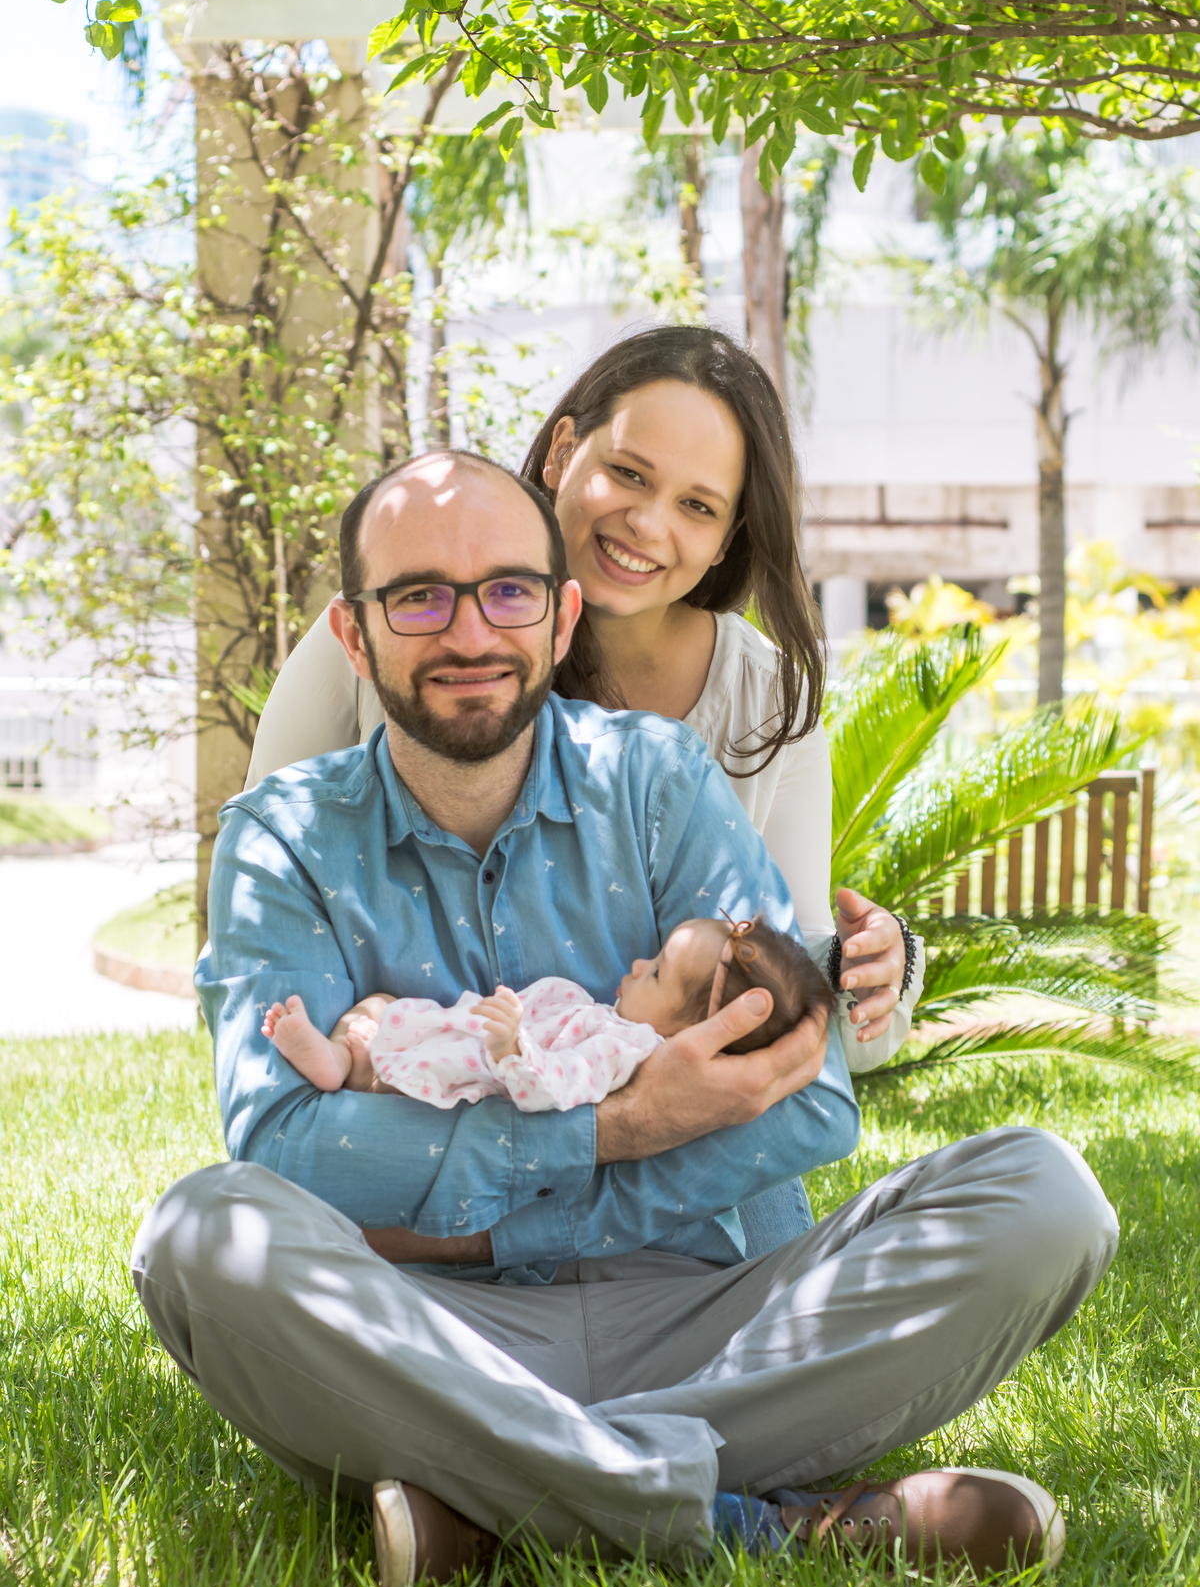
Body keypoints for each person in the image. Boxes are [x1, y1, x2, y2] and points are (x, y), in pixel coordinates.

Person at [132, 450, 1119, 1587]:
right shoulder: (281, 839)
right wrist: (619, 1128)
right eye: (419, 596)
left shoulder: (656, 778)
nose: (468, 631)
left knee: (1045, 1197)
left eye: (507, 590)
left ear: (561, 621)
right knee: (204, 1235)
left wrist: (486, 1217)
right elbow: (289, 1151)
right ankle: (767, 1523)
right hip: (429, 1327)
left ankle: (504, 1503)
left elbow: (809, 1104)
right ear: (356, 636)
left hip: (718, 1315)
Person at [245, 328, 923, 1258]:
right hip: (420, 1136)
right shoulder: (381, 647)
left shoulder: (757, 705)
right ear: (563, 452)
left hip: (678, 1201)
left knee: (1024, 1193)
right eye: (629, 474)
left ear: (729, 537)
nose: (648, 525)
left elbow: (784, 1018)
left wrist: (876, 979)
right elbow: (275, 896)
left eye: (696, 504)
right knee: (215, 1234)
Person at [260, 911, 829, 1109]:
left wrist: (514, 1050)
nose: (635, 965)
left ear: (692, 1031)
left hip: (478, 1067)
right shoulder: (617, 1025)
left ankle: (342, 1065)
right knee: (380, 1010)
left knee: (382, 1034)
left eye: (655, 972)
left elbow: (558, 1088)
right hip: (461, 1035)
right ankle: (338, 1058)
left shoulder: (628, 1049)